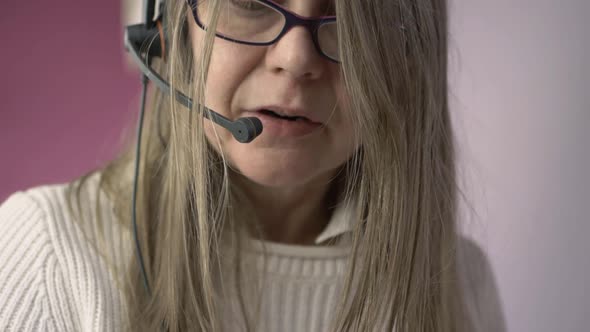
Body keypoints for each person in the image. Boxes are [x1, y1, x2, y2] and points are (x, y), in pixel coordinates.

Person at [0, 0, 506, 331]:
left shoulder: (458, 282)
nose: (296, 58)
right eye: (248, 1)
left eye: (352, 16)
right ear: (166, 28)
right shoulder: (48, 257)